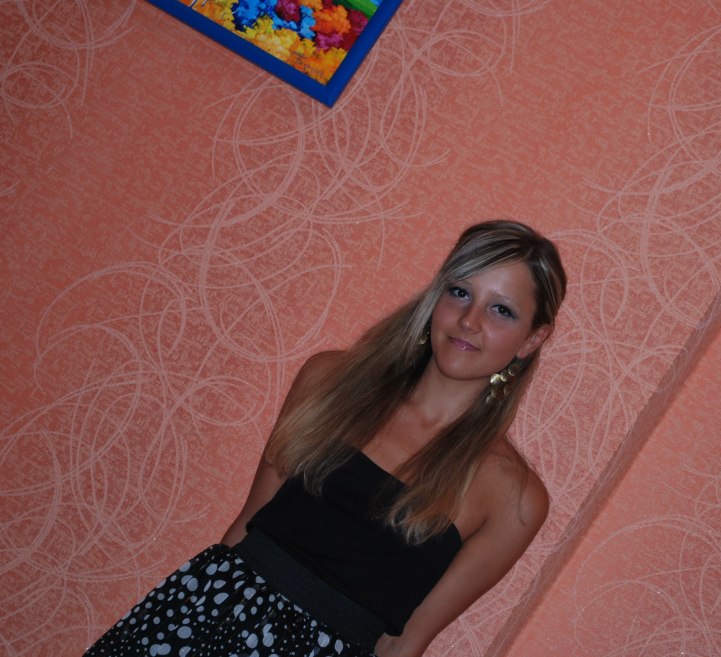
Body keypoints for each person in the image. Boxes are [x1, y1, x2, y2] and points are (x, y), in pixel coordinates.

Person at [84, 220, 567, 657]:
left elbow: (403, 643)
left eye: (501, 310)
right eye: (460, 292)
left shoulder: (513, 497)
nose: (470, 321)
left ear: (531, 339)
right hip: (203, 620)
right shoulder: (331, 381)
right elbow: (246, 528)